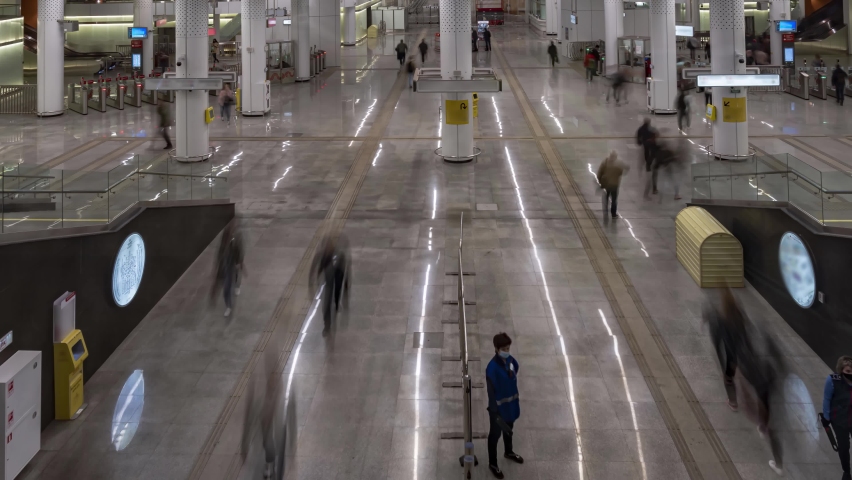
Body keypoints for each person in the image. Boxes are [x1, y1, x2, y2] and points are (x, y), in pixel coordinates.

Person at [486, 333, 523, 479]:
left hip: (511, 407)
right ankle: (493, 464)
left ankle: (509, 452)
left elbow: (515, 371)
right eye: (503, 348)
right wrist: (495, 413)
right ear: (496, 348)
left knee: (509, 430)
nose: (506, 351)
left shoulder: (511, 361)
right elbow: (491, 394)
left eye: (508, 348)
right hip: (499, 410)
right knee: (495, 436)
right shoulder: (492, 369)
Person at [310, 235, 351, 336]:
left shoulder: (339, 254)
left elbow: (345, 272)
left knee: (336, 296)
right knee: (326, 304)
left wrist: (345, 290)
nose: (327, 249)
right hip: (328, 282)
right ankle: (327, 326)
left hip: (338, 280)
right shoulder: (321, 255)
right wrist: (312, 281)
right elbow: (314, 267)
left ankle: (337, 306)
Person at [822, 356, 852, 480]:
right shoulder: (832, 380)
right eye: (848, 371)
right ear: (841, 371)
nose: (851, 374)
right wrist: (826, 417)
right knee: (844, 447)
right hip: (839, 420)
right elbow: (827, 399)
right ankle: (847, 472)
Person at [212, 220, 244, 317]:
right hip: (225, 269)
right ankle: (228, 307)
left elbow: (238, 252)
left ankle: (237, 286)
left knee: (235, 276)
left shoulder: (234, 241)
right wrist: (216, 267)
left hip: (232, 266)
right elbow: (219, 256)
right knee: (226, 289)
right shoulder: (223, 246)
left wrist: (238, 262)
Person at [596, 151, 628, 219]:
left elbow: (599, 172)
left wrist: (600, 181)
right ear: (616, 157)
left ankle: (605, 213)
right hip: (615, 185)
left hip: (606, 184)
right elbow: (624, 169)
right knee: (614, 199)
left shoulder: (605, 162)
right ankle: (613, 214)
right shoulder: (618, 163)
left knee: (605, 198)